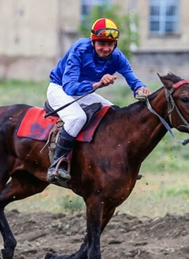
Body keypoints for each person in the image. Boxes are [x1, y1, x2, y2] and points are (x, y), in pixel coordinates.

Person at [46, 18, 150, 184]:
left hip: (85, 91)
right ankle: (57, 164)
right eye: (102, 43)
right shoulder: (80, 49)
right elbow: (69, 87)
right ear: (92, 41)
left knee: (114, 112)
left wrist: (140, 88)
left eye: (111, 44)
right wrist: (97, 84)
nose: (106, 48)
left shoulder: (117, 56)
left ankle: (116, 164)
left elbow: (132, 78)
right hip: (59, 89)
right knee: (77, 118)